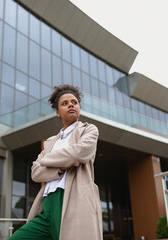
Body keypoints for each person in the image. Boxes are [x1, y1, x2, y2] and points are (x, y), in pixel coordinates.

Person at [8, 84, 102, 240]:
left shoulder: (89, 130)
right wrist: (58, 169)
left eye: (74, 102)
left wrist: (46, 160)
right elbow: (36, 172)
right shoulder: (50, 142)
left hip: (72, 200)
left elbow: (80, 153)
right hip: (47, 205)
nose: (71, 105)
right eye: (64, 103)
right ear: (58, 112)